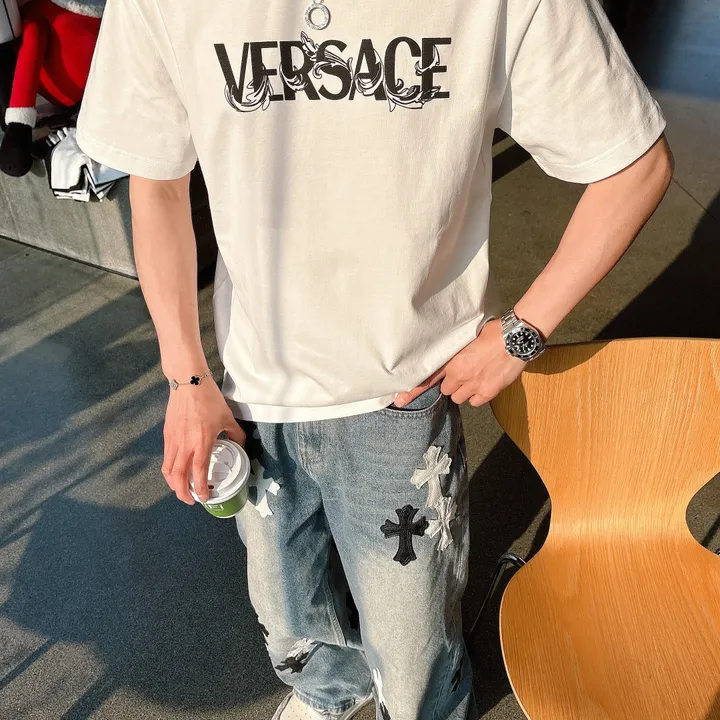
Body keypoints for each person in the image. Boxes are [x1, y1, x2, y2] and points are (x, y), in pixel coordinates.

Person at [76, 0, 673, 716]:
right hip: (249, 388)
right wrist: (185, 377)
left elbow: (635, 162)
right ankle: (330, 690)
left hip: (406, 392)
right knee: (288, 610)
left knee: (413, 643)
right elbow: (157, 179)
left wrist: (521, 332)